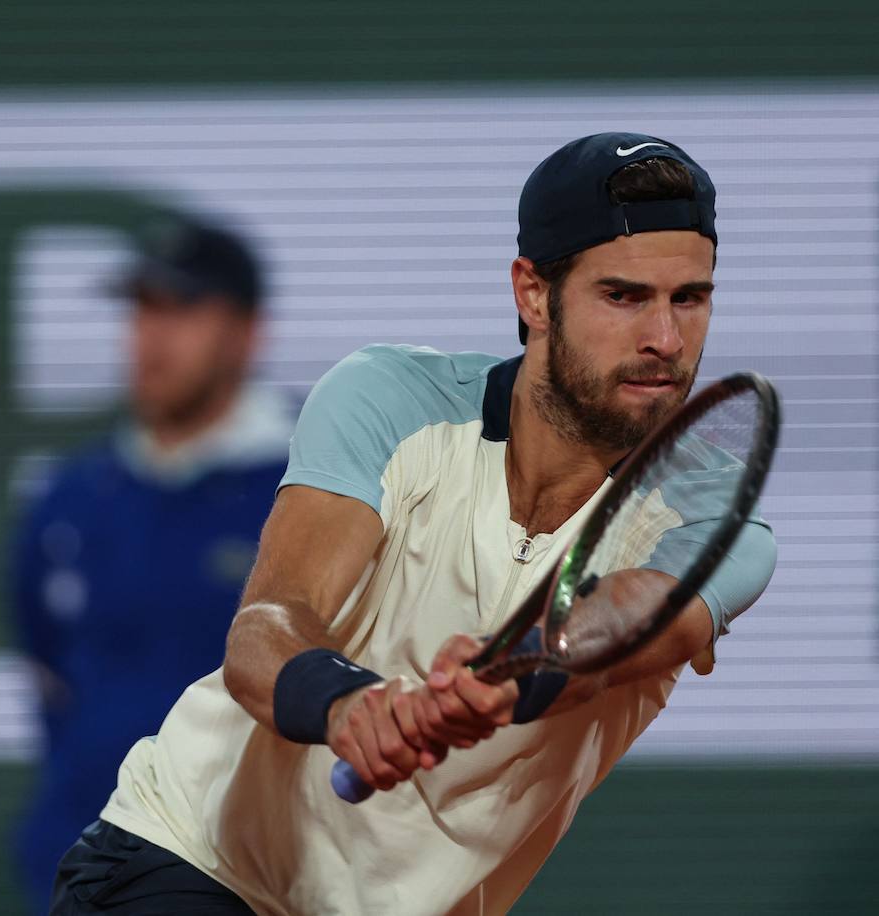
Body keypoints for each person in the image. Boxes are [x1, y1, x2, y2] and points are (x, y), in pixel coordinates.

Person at [48, 133, 778, 915]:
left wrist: (512, 672)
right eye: (624, 296)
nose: (665, 341)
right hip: (193, 861)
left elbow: (625, 620)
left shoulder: (717, 521)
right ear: (533, 295)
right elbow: (267, 626)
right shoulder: (386, 399)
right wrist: (349, 705)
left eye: (689, 299)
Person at [10, 216, 296, 913]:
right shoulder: (67, 502)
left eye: (183, 309)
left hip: (255, 882)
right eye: (141, 310)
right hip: (85, 874)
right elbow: (50, 673)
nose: (152, 336)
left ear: (248, 333)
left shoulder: (313, 488)